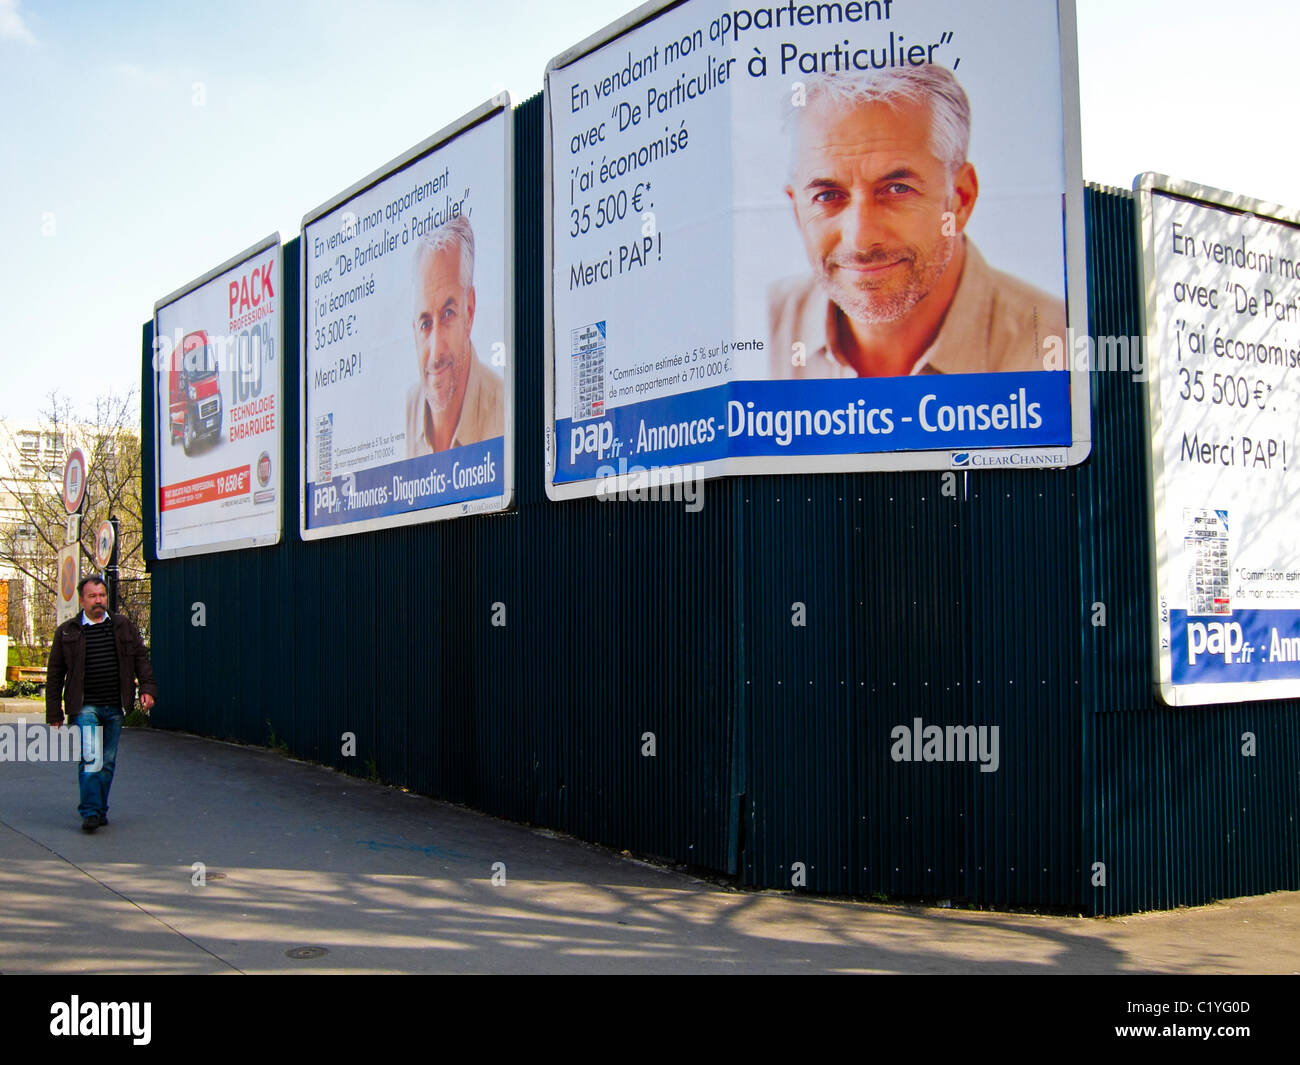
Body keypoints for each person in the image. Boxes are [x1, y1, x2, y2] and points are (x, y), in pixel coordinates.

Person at [769, 66, 1066, 379]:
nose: (860, 239)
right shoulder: (759, 328)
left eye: (897, 190)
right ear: (797, 210)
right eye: (828, 196)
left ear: (960, 199)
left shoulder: (1058, 349)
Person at [45, 575, 157, 832]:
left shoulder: (123, 626)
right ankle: (91, 812)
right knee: (91, 757)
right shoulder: (67, 632)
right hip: (85, 707)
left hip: (115, 706)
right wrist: (54, 711)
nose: (99, 601)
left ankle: (99, 808)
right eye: (93, 596)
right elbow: (55, 674)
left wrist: (148, 689)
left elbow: (141, 659)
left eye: (102, 595)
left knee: (106, 761)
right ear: (82, 600)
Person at [405, 215, 504, 456]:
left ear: (469, 312)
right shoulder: (409, 408)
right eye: (425, 323)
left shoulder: (504, 410)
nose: (436, 351)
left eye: (448, 314)